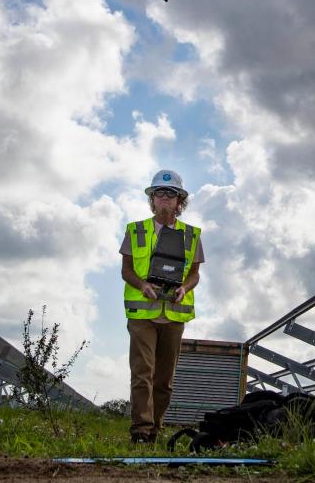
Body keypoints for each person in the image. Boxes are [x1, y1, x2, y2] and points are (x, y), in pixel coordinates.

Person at [120, 169, 203, 443]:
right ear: (152, 200)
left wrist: (184, 288)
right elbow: (127, 271)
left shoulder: (192, 235)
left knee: (164, 380)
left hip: (174, 315)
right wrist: (142, 285)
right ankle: (141, 432)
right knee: (142, 373)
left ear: (180, 201)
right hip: (142, 313)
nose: (165, 199)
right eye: (160, 194)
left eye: (171, 195)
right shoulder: (135, 230)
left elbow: (194, 274)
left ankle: (155, 429)